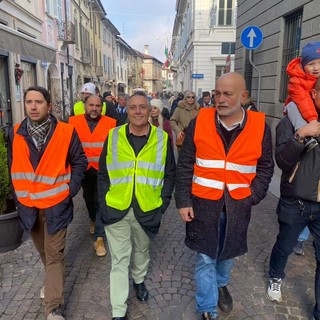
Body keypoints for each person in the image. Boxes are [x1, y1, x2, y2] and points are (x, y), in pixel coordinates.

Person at [175, 72, 274, 320]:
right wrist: (184, 201)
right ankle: (207, 308)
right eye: (217, 93)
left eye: (227, 94)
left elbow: (265, 168)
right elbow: (186, 163)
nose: (219, 99)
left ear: (243, 96)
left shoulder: (260, 126)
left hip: (238, 205)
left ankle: (221, 284)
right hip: (203, 204)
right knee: (205, 257)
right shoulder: (201, 120)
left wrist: (253, 195)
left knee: (227, 254)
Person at [7, 86, 87, 320]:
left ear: (48, 106)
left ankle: (53, 307)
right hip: (29, 207)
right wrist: (18, 196)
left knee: (54, 254)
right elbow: (14, 168)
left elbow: (80, 161)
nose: (33, 106)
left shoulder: (65, 131)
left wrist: (70, 191)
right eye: (29, 101)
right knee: (44, 251)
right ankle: (53, 282)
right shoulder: (15, 133)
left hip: (56, 204)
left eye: (38, 102)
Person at [97, 91, 176, 320]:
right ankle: (118, 311)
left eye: (143, 107)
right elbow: (103, 173)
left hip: (148, 207)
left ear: (151, 110)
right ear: (127, 111)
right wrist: (103, 202)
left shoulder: (161, 139)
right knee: (119, 259)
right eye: (133, 107)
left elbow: (170, 174)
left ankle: (139, 280)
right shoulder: (113, 136)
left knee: (141, 251)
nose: (138, 111)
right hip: (116, 208)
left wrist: (163, 204)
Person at [266, 77, 320, 320]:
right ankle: (275, 277)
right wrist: (301, 135)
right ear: (314, 94)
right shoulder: (291, 119)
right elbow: (283, 161)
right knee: (284, 246)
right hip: (295, 200)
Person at [68, 95, 116, 257]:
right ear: (85, 106)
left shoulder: (111, 123)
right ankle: (94, 220)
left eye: (97, 106)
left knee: (101, 201)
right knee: (88, 198)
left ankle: (99, 238)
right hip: (83, 169)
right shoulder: (73, 122)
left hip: (103, 170)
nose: (94, 108)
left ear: (101, 107)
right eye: (91, 105)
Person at [284, 41, 320, 150]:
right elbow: (304, 101)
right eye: (311, 64)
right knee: (292, 106)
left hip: (312, 109)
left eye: (319, 63)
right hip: (298, 108)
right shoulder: (296, 80)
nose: (316, 68)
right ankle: (307, 137)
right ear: (303, 66)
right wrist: (313, 120)